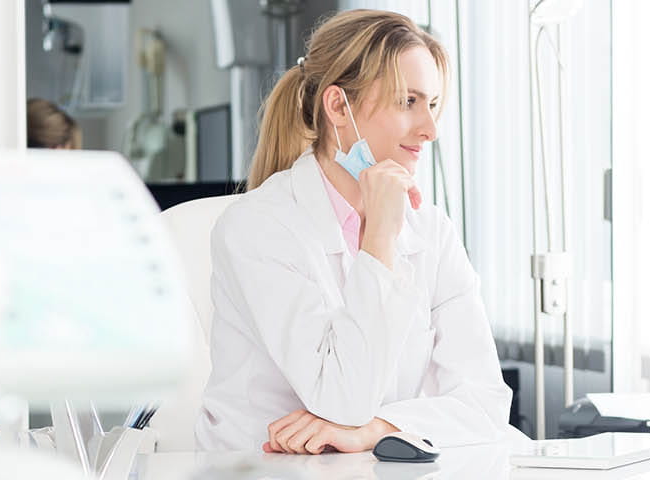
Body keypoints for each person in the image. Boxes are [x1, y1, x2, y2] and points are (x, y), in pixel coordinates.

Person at [196, 9, 512, 454]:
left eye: (433, 105)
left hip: (369, 465)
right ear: (339, 107)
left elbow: (485, 404)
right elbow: (342, 398)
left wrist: (377, 428)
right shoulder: (258, 228)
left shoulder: (431, 231)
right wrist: (379, 239)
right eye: (409, 102)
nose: (431, 129)